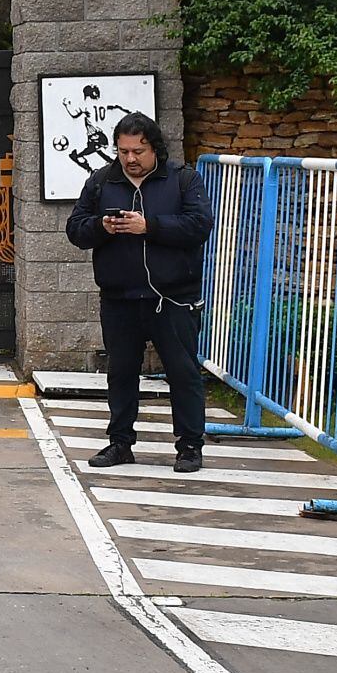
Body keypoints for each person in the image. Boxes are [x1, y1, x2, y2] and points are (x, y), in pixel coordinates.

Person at [63, 112, 214, 474]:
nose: (130, 158)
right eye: (123, 151)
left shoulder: (183, 179)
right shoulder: (101, 182)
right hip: (119, 297)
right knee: (121, 372)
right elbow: (75, 229)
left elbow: (199, 225)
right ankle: (120, 443)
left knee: (183, 372)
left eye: (139, 151)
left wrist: (150, 226)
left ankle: (190, 446)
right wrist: (102, 226)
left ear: (154, 149)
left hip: (172, 296)